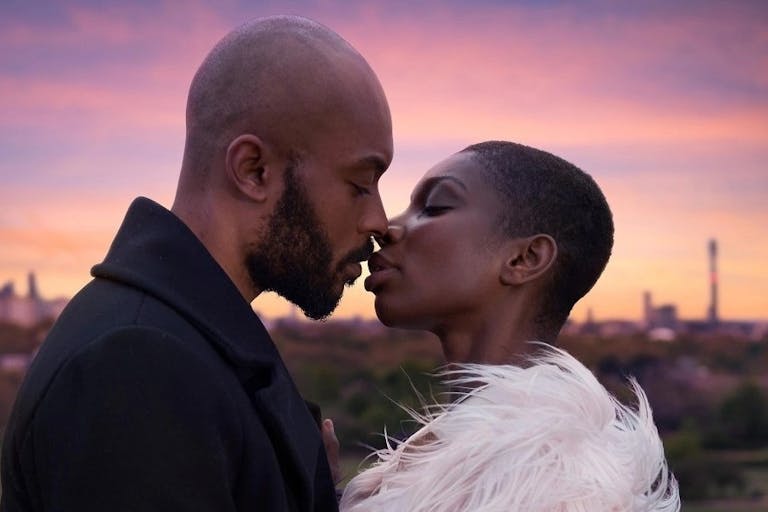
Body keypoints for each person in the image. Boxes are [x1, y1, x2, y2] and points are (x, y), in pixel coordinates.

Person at [1, 15, 392, 512]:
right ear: (254, 171)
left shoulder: (186, 339)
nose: (378, 220)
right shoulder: (137, 365)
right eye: (360, 185)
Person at [340, 141, 680, 511]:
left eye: (435, 207)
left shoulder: (554, 488)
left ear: (524, 258)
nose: (386, 227)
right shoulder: (455, 470)